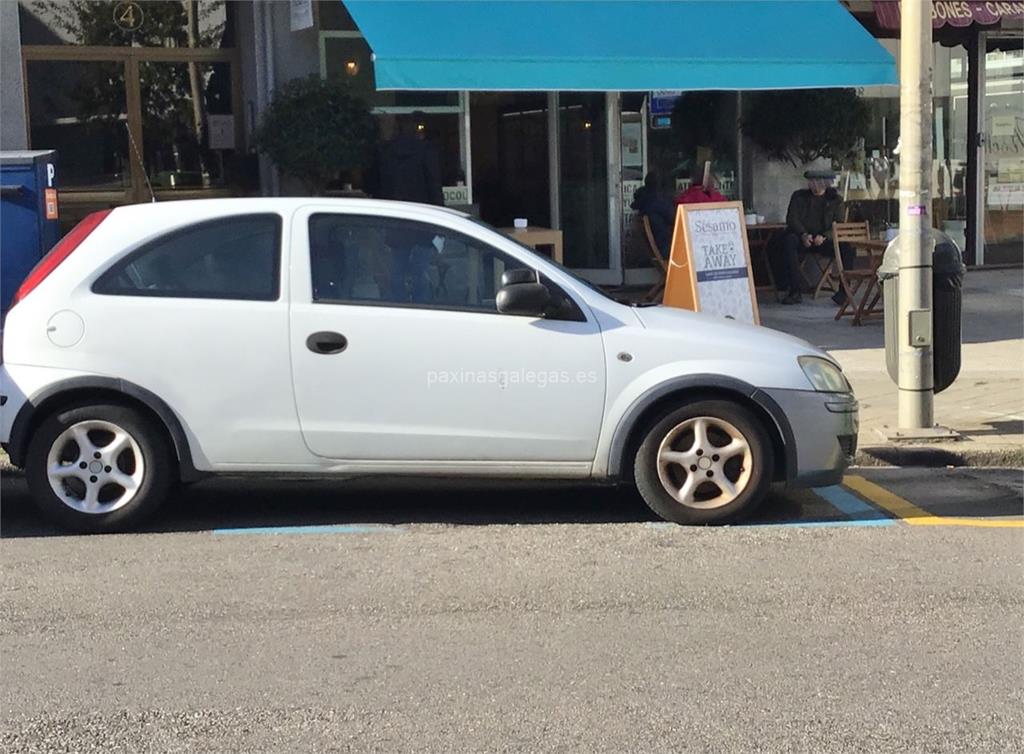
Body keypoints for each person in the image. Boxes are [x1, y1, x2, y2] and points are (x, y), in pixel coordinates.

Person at [369, 112, 444, 302]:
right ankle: (422, 308)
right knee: (420, 271)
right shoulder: (426, 151)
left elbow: (375, 187)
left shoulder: (385, 152)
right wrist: (441, 221)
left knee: (397, 271)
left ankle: (399, 306)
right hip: (423, 219)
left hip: (395, 220)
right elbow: (434, 187)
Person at [772, 169, 855, 305]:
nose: (812, 184)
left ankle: (843, 292)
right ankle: (794, 290)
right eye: (810, 181)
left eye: (815, 181)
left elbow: (838, 223)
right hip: (802, 238)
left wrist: (824, 236)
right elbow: (792, 219)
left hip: (824, 240)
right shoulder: (799, 197)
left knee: (847, 247)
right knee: (788, 242)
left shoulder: (835, 200)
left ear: (824, 183)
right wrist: (803, 234)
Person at [631, 171, 676, 258]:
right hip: (665, 245)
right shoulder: (660, 202)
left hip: (650, 246)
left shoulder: (643, 201)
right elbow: (676, 221)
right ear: (659, 184)